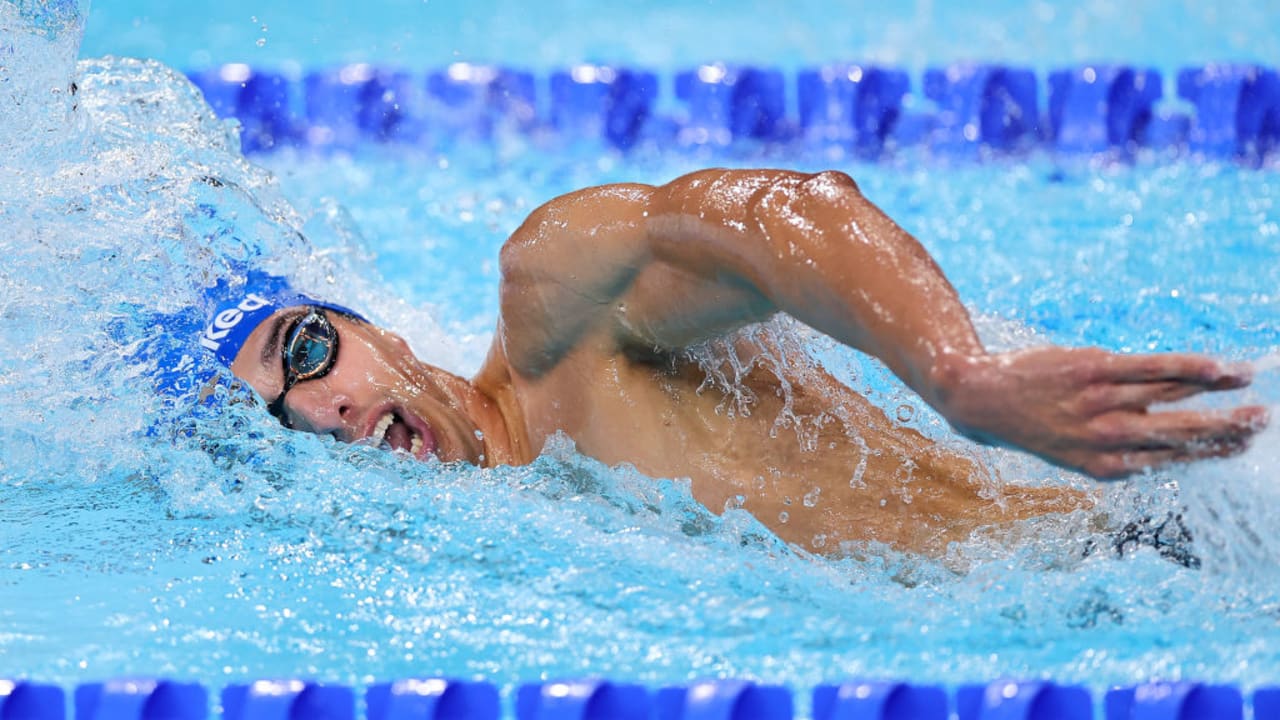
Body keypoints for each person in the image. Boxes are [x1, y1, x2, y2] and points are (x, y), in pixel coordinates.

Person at [202, 168, 1266, 556]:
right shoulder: (504, 540)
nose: (329, 408)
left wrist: (960, 380)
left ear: (376, 329)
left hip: (1176, 526)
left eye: (307, 348)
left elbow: (788, 216)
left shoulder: (553, 316)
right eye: (277, 414)